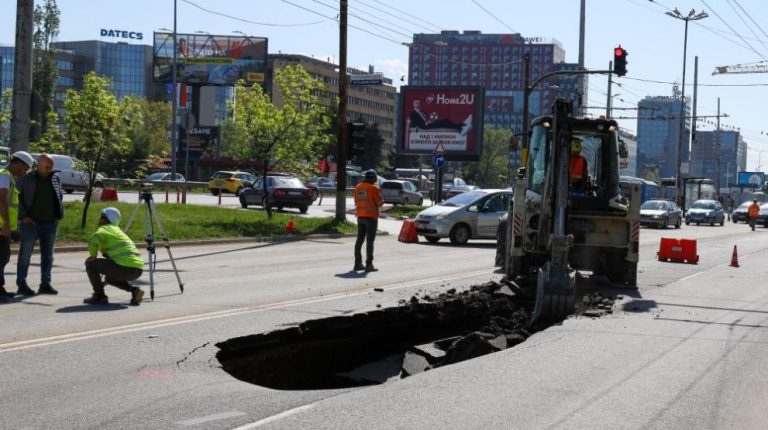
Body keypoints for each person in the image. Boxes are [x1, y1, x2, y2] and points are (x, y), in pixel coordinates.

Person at [17, 154, 64, 295]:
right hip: (30, 223)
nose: (49, 170)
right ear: (38, 165)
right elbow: (17, 197)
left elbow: (59, 196)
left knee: (48, 256)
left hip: (50, 223)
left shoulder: (55, 178)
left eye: (51, 167)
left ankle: (45, 283)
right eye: (46, 167)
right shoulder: (26, 178)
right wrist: (23, 216)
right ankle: (21, 283)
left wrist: (58, 215)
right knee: (25, 255)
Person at [84, 207, 145, 306]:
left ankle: (100, 296)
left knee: (91, 264)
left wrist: (93, 256)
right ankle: (135, 291)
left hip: (124, 268)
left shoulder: (105, 228)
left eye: (101, 217)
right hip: (137, 270)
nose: (99, 220)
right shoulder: (118, 231)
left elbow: (93, 239)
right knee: (110, 279)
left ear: (104, 219)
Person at [0, 152, 34, 302]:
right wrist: (6, 223)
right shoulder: (4, 176)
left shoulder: (8, 177)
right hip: (1, 225)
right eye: (25, 169)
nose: (24, 172)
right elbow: (1, 199)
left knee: (3, 257)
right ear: (18, 164)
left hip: (3, 226)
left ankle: (0, 289)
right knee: (2, 257)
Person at [353, 170, 383, 272]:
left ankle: (357, 263)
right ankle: (369, 265)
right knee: (370, 242)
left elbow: (356, 201)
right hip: (371, 218)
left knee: (359, 240)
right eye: (375, 178)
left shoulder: (358, 187)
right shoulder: (374, 188)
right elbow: (379, 203)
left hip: (360, 217)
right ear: (373, 178)